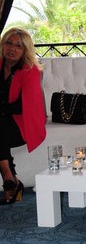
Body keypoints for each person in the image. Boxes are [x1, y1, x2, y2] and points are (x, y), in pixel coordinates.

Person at [0, 27, 46, 204]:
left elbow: (22, 106)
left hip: (23, 124)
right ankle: (11, 180)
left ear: (25, 50)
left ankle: (8, 176)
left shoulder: (30, 70)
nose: (12, 49)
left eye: (18, 46)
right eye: (8, 43)